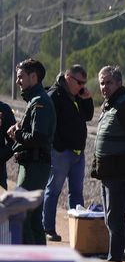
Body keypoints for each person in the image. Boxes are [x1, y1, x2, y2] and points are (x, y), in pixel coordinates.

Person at [88, 65, 125, 262]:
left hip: (120, 173)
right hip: (108, 173)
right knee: (112, 219)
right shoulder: (110, 104)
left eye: (109, 82)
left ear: (119, 83)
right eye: (102, 83)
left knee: (115, 219)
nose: (104, 87)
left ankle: (115, 261)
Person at [41, 63, 94, 241]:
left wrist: (87, 99)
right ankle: (48, 228)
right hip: (61, 153)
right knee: (53, 190)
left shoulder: (77, 95)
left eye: (84, 83)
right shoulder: (54, 95)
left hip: (78, 153)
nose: (82, 86)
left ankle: (77, 233)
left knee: (77, 194)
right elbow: (49, 125)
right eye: (79, 82)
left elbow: (87, 116)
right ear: (68, 78)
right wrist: (59, 146)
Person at [10, 60, 55, 245]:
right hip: (32, 165)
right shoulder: (36, 101)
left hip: (33, 166)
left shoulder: (39, 103)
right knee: (33, 217)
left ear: (33, 77)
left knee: (21, 215)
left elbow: (39, 137)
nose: (18, 81)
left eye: (21, 77)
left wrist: (17, 134)